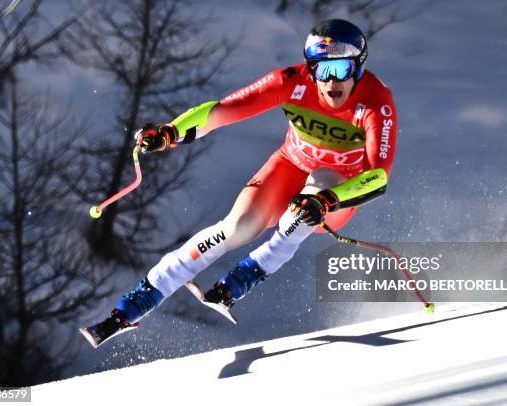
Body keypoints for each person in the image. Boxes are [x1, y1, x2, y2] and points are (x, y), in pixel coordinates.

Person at [80, 19, 398, 348]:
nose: (332, 82)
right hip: (291, 165)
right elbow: (224, 110)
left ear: (359, 67)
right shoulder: (291, 82)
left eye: (342, 69)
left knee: (306, 202)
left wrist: (328, 200)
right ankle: (132, 306)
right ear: (310, 68)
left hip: (339, 187)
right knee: (237, 227)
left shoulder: (376, 103)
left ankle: (242, 278)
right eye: (322, 70)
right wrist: (170, 132)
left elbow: (378, 177)